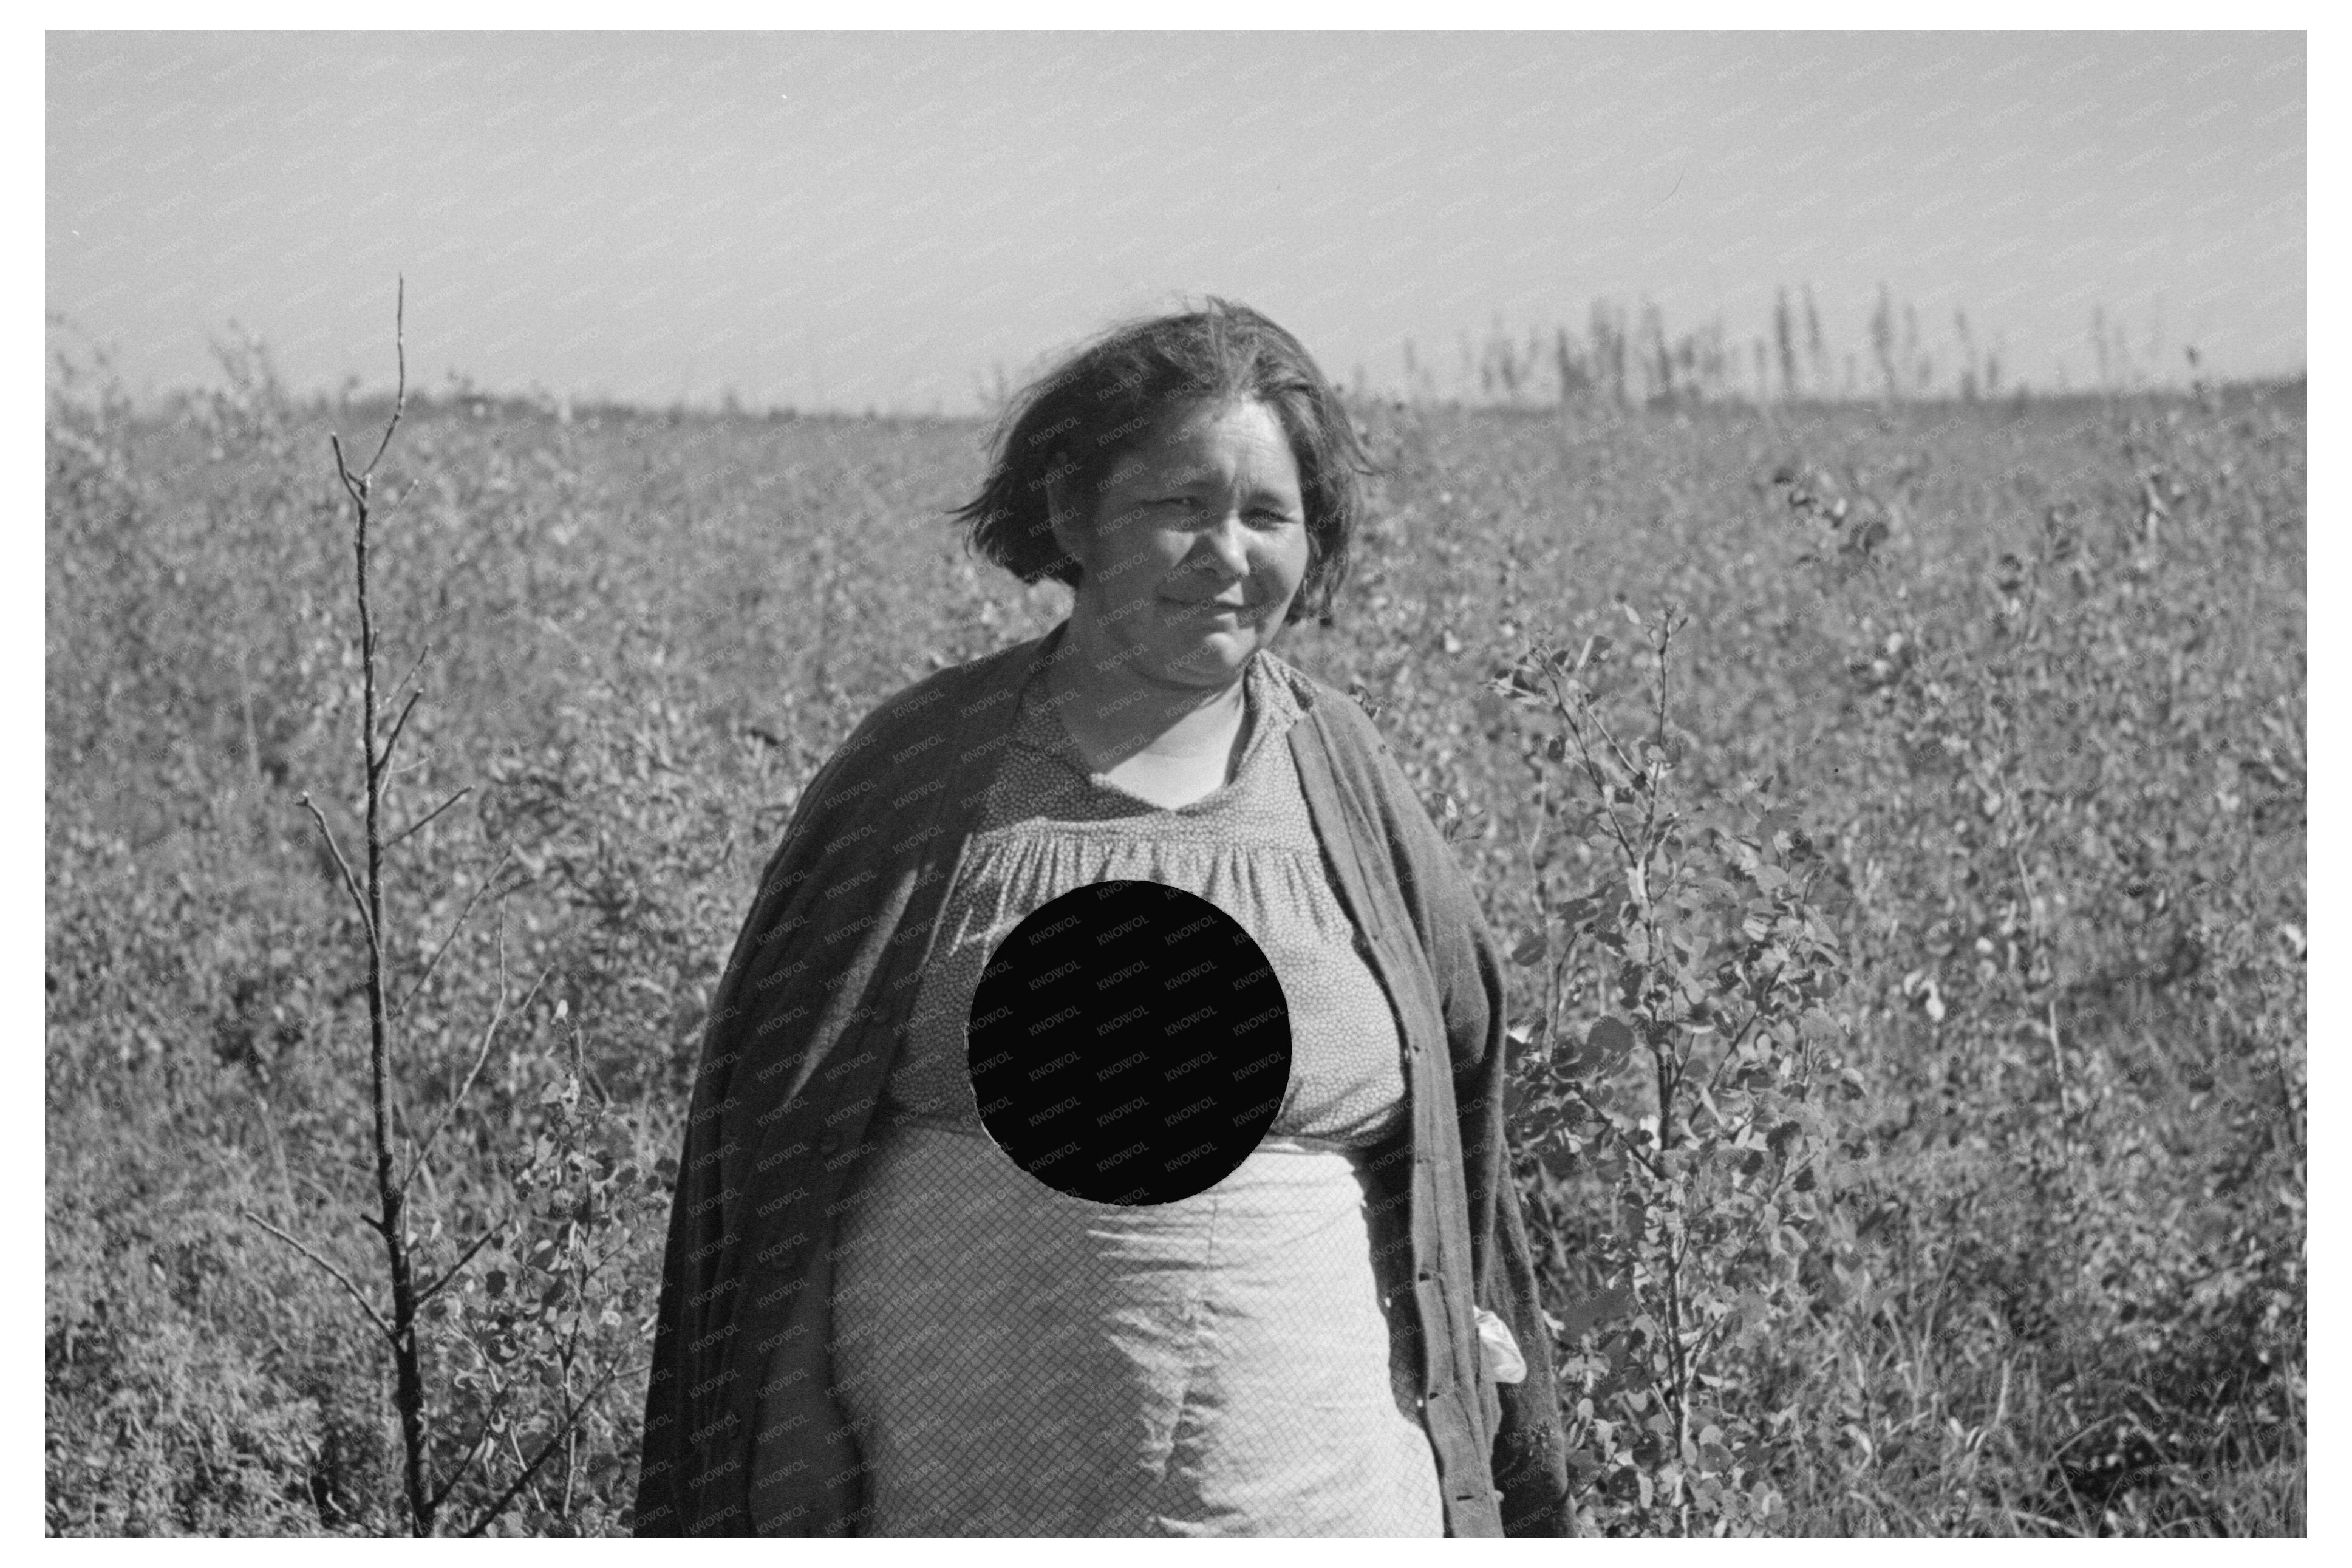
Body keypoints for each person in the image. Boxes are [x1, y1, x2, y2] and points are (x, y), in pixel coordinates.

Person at [635, 299, 1573, 1538]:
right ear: (1074, 513)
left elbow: (1460, 1096)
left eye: (1266, 513)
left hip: (1312, 1494)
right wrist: (784, 1433)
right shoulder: (922, 773)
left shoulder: (1344, 775)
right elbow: (780, 1124)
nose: (1225, 552)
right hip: (951, 1487)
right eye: (1178, 506)